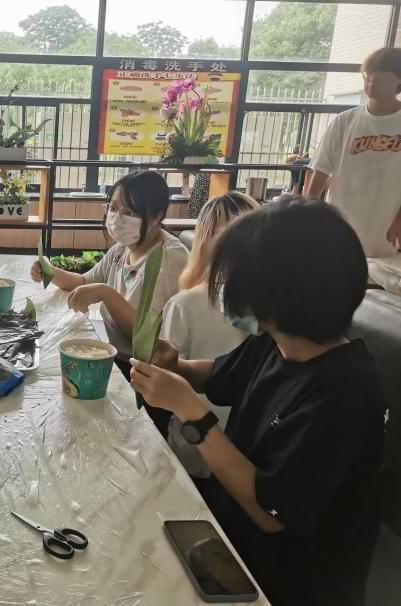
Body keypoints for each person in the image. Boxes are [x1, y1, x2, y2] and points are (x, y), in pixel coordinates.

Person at [130, 197, 385, 606]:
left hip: (286, 581)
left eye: (235, 278)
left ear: (281, 293)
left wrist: (192, 413)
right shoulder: (278, 341)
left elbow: (270, 513)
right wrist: (178, 365)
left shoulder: (346, 394)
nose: (224, 287)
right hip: (230, 538)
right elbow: (219, 375)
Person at [31, 170, 189, 432]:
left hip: (145, 379)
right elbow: (84, 281)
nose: (117, 218)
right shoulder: (122, 249)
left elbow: (145, 341)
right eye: (113, 208)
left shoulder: (168, 259)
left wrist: (105, 293)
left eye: (129, 212)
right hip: (117, 362)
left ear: (157, 216)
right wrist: (49, 271)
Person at [161, 192, 260, 477]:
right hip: (226, 450)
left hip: (203, 449)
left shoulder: (186, 304)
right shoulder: (186, 304)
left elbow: (168, 381)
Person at [307, 47, 401, 257]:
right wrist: (306, 217)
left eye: (382, 73)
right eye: (368, 73)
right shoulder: (345, 121)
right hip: (340, 232)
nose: (372, 80)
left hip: (389, 236)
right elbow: (320, 171)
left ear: (398, 79)